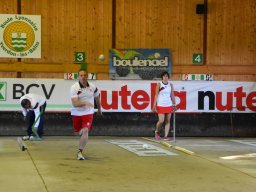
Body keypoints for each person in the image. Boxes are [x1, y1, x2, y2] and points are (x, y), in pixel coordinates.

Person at [70, 69, 102, 160]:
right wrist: (85, 103)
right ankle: (81, 131)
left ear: (87, 76)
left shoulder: (93, 87)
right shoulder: (74, 88)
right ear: (78, 77)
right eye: (81, 75)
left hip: (88, 112)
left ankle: (80, 151)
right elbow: (75, 103)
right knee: (77, 132)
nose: (83, 77)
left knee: (85, 130)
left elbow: (97, 98)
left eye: (84, 75)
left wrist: (99, 109)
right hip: (76, 112)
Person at [152, 71, 176, 141]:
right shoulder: (159, 84)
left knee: (168, 121)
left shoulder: (170, 85)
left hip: (169, 105)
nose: (165, 77)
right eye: (164, 76)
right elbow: (156, 95)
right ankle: (156, 132)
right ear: (162, 77)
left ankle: (166, 136)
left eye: (167, 76)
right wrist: (154, 105)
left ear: (168, 77)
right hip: (160, 105)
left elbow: (172, 95)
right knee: (161, 120)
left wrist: (174, 105)